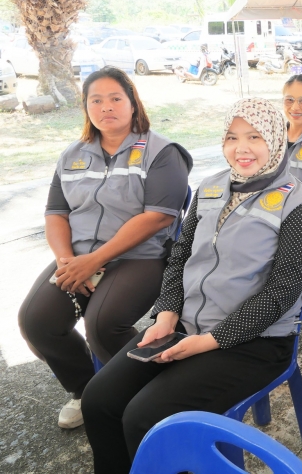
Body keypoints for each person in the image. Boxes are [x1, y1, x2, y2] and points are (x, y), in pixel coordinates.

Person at [81, 98, 302, 474]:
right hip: (185, 325)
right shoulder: (211, 188)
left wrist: (209, 341)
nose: (241, 148)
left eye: (255, 137)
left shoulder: (301, 207)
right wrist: (166, 314)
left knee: (145, 417)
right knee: (99, 400)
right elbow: (180, 255)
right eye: (232, 137)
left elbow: (280, 295)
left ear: (277, 140)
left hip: (255, 344)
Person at [18, 67, 192, 430]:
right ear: (85, 107)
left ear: (133, 103)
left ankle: (155, 395)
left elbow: (159, 217)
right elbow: (56, 213)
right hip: (79, 255)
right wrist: (67, 261)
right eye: (95, 100)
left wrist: (94, 261)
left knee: (104, 324)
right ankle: (87, 390)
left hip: (141, 256)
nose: (106, 107)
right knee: (37, 321)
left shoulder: (162, 152)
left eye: (115, 98)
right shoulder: (73, 155)